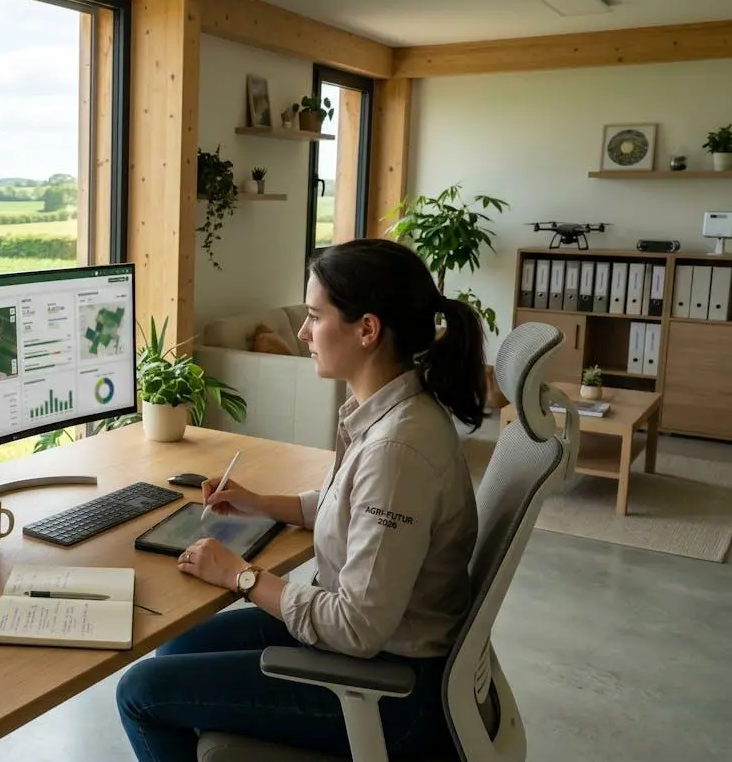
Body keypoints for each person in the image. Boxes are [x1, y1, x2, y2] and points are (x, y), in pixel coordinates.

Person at [116, 238, 488, 761]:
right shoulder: (392, 412)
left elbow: (356, 627)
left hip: (391, 690)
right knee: (175, 648)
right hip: (380, 650)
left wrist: (242, 577)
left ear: (367, 329)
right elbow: (349, 508)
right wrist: (260, 502)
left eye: (315, 316)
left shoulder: (398, 450)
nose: (302, 332)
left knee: (140, 693)